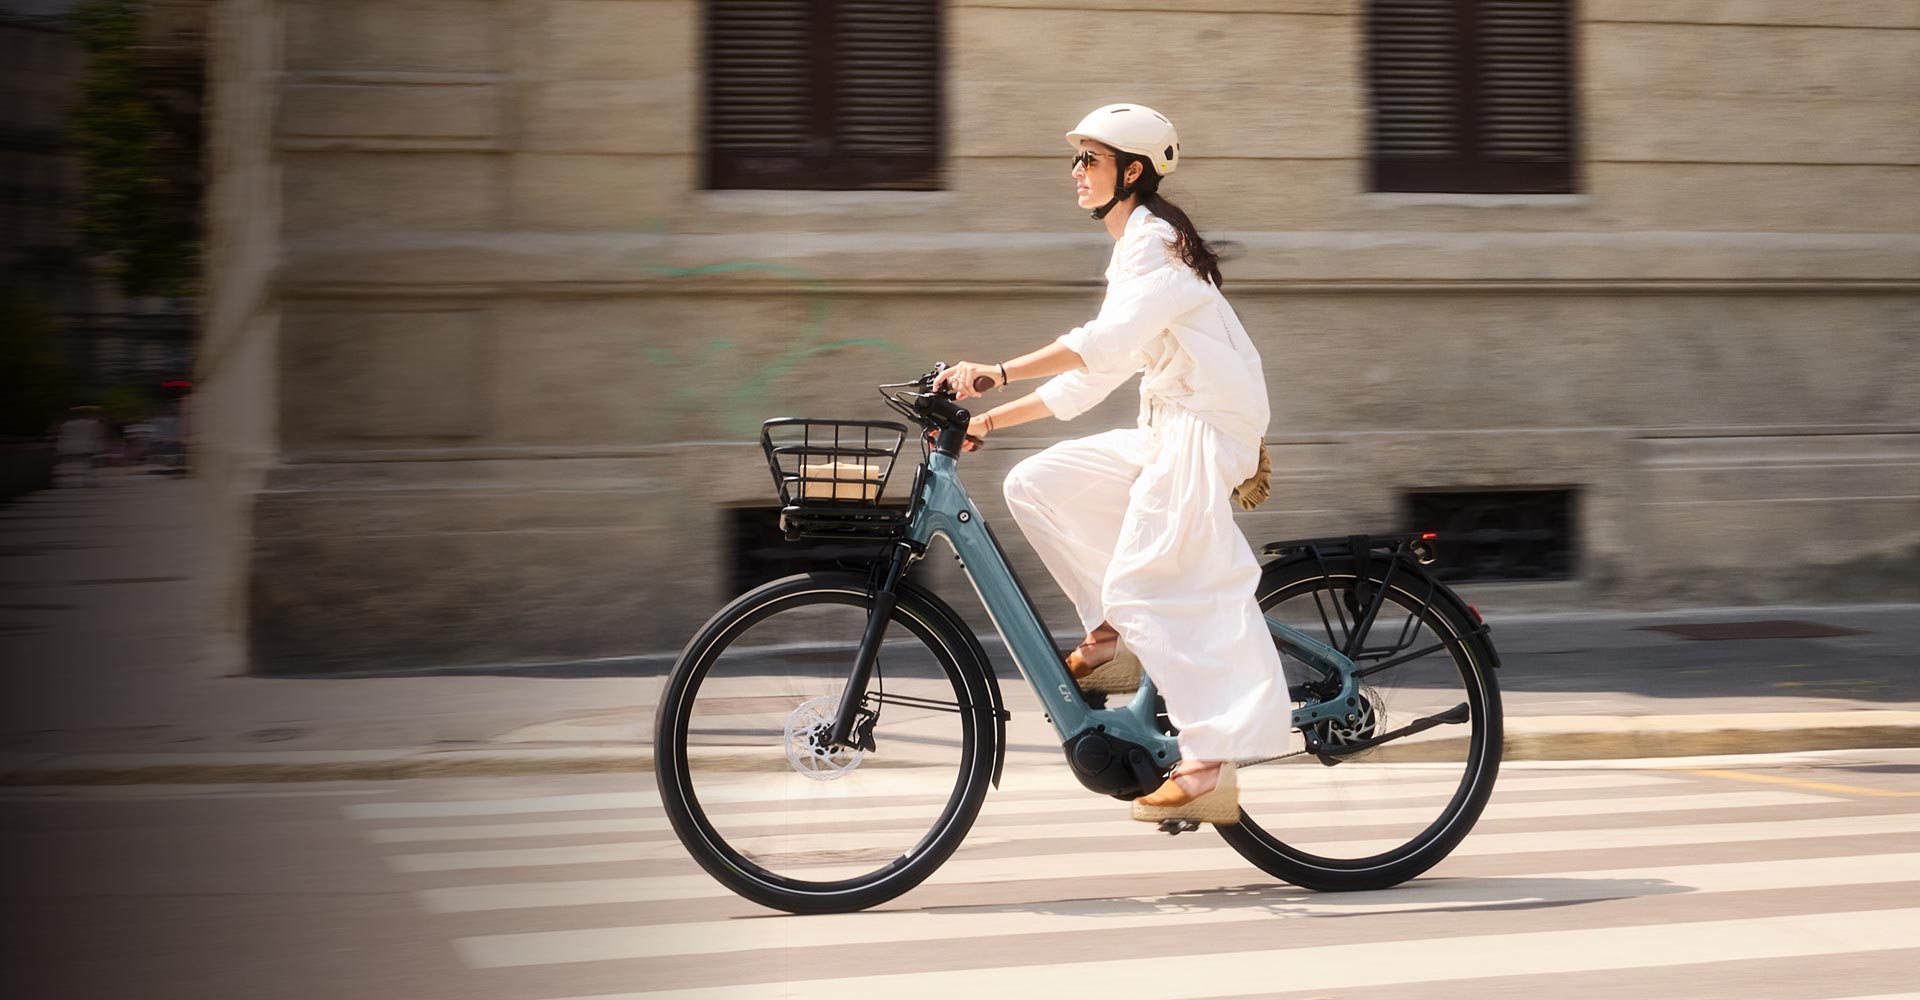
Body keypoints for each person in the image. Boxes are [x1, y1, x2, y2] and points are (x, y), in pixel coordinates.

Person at [935, 104, 1292, 826]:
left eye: (1089, 159)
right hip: (1167, 426)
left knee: (1146, 584)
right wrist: (987, 422)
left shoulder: (1157, 245)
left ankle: (1208, 764)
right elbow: (1094, 375)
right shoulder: (1135, 247)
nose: (1076, 171)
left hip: (1203, 431)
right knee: (1035, 484)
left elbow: (1098, 343)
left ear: (1131, 171)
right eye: (1076, 158)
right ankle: (1113, 638)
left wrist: (995, 372)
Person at [55, 407, 104, 488]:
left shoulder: (66, 424)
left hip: (69, 447)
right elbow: (95, 436)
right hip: (85, 447)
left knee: (69, 466)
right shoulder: (93, 423)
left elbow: (62, 437)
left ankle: (67, 482)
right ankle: (88, 481)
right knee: (88, 465)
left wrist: (59, 448)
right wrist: (99, 448)